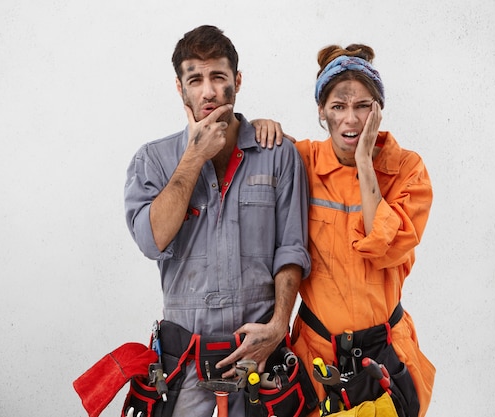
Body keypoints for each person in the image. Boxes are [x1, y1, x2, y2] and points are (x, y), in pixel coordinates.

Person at [123, 25, 311, 417]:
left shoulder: (277, 154)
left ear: (237, 81)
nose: (207, 91)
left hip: (259, 357)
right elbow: (151, 241)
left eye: (218, 77)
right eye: (195, 79)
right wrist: (193, 158)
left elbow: (291, 248)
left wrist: (278, 327)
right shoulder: (152, 160)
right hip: (185, 362)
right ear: (180, 88)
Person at [261, 44, 435, 417]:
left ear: (379, 110)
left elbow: (385, 247)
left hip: (385, 356)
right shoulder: (301, 161)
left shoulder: (408, 170)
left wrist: (364, 164)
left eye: (363, 106)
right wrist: (260, 127)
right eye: (338, 106)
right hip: (316, 357)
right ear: (322, 112)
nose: (350, 119)